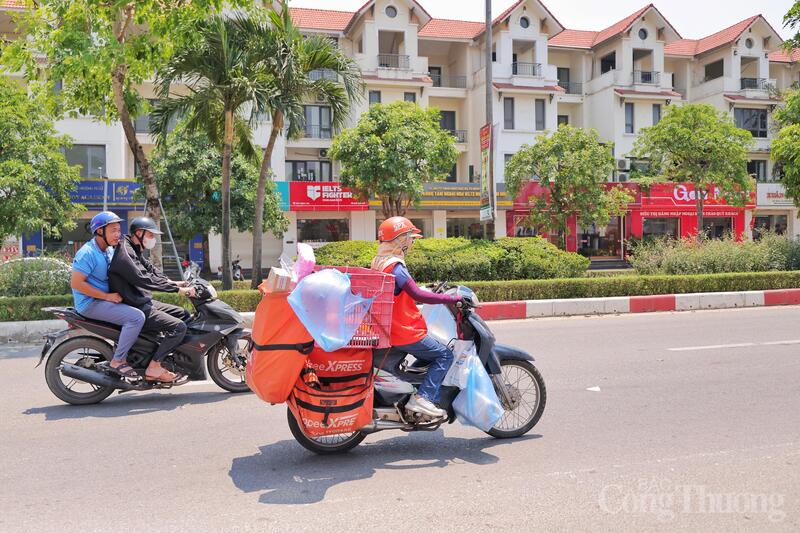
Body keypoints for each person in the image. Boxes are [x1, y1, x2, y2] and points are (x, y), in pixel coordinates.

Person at [371, 216, 462, 418]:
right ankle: (422, 399)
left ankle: (412, 389)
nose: (412, 241)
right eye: (410, 237)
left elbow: (401, 290)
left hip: (388, 327)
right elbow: (417, 295)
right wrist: (448, 298)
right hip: (404, 330)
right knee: (444, 355)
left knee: (428, 353)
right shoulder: (396, 266)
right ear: (400, 239)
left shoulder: (379, 261)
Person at [108, 217, 196, 382]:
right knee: (179, 327)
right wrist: (177, 289)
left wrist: (172, 281)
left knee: (183, 314)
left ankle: (162, 354)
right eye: (151, 234)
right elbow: (144, 279)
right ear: (139, 233)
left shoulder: (134, 248)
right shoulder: (125, 252)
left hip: (142, 300)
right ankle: (154, 366)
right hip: (134, 304)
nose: (153, 239)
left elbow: (150, 270)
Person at [70, 211, 145, 379]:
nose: (118, 234)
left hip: (102, 300)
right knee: (136, 318)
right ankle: (118, 361)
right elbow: (76, 283)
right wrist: (108, 297)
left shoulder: (108, 250)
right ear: (99, 231)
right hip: (90, 303)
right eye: (113, 230)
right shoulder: (87, 253)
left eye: (119, 230)